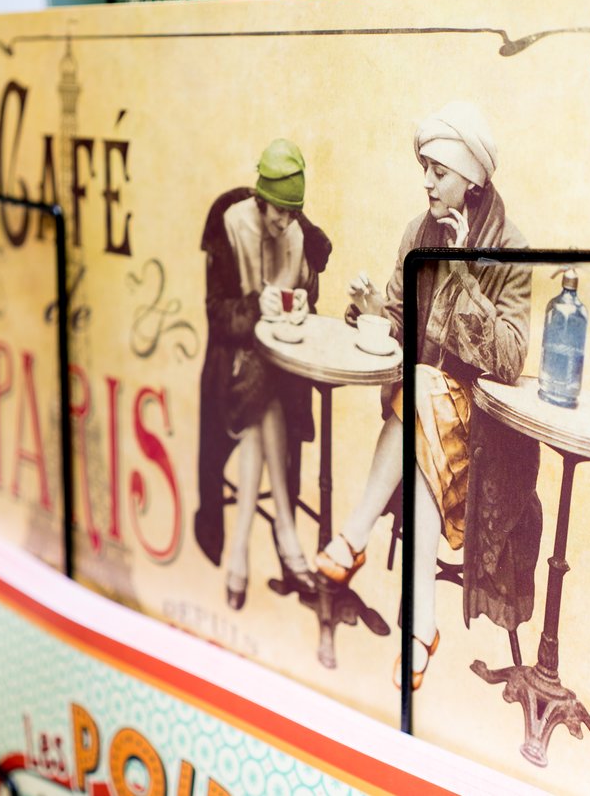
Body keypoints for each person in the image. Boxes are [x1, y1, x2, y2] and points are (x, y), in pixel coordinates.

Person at [315, 102, 532, 688]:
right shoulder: (417, 232)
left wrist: (462, 271)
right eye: (427, 168)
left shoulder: (511, 248)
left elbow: (511, 361)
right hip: (420, 410)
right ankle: (421, 625)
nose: (428, 181)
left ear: (472, 178)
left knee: (423, 391)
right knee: (420, 396)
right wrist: (367, 311)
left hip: (483, 424)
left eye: (439, 170)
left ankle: (355, 533)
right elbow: (398, 323)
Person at [195, 139, 330, 608]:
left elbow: (307, 299)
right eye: (278, 213)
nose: (285, 223)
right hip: (231, 368)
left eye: (293, 215)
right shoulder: (230, 227)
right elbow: (217, 315)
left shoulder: (294, 236)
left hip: (278, 371)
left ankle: (240, 552)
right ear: (260, 199)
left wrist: (298, 304)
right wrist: (254, 307)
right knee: (262, 400)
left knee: (267, 400)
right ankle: (286, 531)